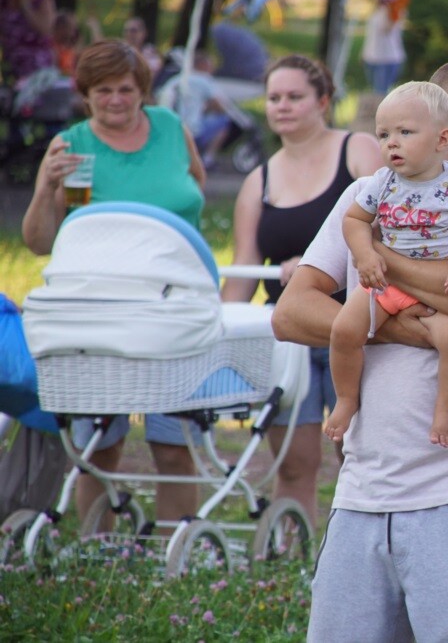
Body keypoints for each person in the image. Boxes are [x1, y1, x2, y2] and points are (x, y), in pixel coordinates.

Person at [272, 60, 448, 641]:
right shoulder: (373, 190)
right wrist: (388, 316)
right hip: (361, 489)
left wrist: (380, 266)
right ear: (430, 116)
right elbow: (291, 312)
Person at [21, 39, 207, 529]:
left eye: (126, 89)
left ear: (142, 89)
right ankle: (96, 551)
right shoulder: (72, 146)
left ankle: (178, 557)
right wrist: (46, 187)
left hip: (172, 306)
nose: (117, 100)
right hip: (99, 307)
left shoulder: (170, 127)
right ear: (85, 93)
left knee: (172, 442)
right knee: (99, 443)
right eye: (104, 90)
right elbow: (40, 242)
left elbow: (196, 188)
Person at [220, 54, 381, 524]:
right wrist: (217, 328)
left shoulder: (360, 152)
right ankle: (292, 554)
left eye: (295, 97)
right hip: (292, 336)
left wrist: (315, 266)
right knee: (293, 460)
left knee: (361, 453)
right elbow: (246, 270)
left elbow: (389, 236)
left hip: (357, 327)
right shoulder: (258, 180)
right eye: (274, 98)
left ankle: (362, 550)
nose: (283, 106)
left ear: (324, 101)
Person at [326, 82, 448, 449]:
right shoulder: (382, 182)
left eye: (405, 132)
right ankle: (346, 399)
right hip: (384, 285)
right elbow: (355, 221)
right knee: (343, 331)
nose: (391, 142)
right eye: (383, 134)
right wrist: (366, 256)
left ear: (441, 139)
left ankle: (444, 413)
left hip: (438, 288)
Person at [157, 50, 232, 171]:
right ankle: (208, 157)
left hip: (174, 129)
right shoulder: (204, 80)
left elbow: (160, 98)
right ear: (202, 65)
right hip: (195, 130)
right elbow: (219, 106)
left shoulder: (177, 79)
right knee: (224, 120)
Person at [0, 0, 55, 85]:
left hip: (36, 65)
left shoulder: (43, 1)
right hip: (10, 63)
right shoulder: (3, 3)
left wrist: (25, 5)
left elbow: (46, 30)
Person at [360, 0, 408, 95]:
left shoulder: (396, 10)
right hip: (371, 58)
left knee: (380, 95)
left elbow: (387, 29)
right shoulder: (376, 11)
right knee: (374, 93)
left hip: (387, 59)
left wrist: (390, 6)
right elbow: (372, 35)